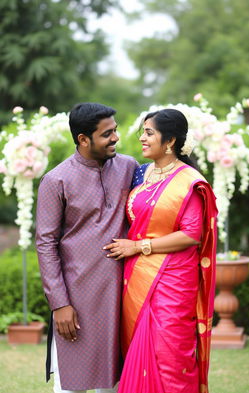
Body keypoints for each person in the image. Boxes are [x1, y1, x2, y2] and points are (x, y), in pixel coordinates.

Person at [104, 108, 218, 393]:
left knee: (168, 354)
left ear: (169, 141)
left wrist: (139, 246)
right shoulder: (144, 174)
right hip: (139, 275)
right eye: (143, 132)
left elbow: (191, 234)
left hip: (173, 279)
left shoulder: (189, 181)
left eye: (149, 133)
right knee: (139, 351)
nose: (142, 138)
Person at [36, 102, 138, 393]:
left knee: (117, 381)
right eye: (107, 134)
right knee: (72, 383)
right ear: (83, 139)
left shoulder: (129, 167)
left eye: (115, 131)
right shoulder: (56, 180)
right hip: (77, 299)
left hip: (122, 294)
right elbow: (45, 243)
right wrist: (60, 304)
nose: (115, 138)